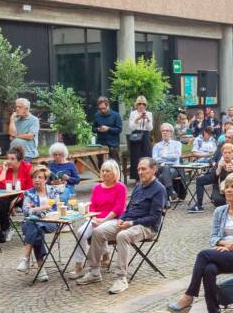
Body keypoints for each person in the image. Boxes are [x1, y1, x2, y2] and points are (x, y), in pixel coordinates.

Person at [168, 172, 233, 313]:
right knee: (209, 269)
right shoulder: (220, 211)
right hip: (221, 253)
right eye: (227, 187)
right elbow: (213, 237)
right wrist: (224, 244)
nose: (229, 190)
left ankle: (189, 295)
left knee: (203, 255)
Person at [85, 157, 167, 294]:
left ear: (154, 170)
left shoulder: (159, 189)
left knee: (123, 236)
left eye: (144, 169)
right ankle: (94, 272)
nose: (140, 172)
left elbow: (154, 218)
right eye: (139, 169)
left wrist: (131, 223)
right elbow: (128, 209)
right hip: (128, 222)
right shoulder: (139, 186)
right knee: (98, 231)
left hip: (146, 227)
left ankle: (121, 278)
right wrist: (122, 219)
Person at [72, 160, 127, 282]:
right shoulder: (97, 188)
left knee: (98, 230)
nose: (105, 173)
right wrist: (94, 218)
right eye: (103, 170)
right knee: (81, 232)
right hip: (96, 218)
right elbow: (92, 206)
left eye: (108, 170)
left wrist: (103, 220)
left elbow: (118, 208)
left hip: (113, 219)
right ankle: (78, 265)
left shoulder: (120, 187)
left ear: (115, 172)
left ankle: (98, 263)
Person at [15, 166, 64, 282]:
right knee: (36, 228)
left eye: (40, 177)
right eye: (34, 177)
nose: (36, 180)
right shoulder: (29, 193)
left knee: (35, 225)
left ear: (45, 179)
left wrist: (35, 209)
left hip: (51, 222)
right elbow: (26, 211)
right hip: (33, 223)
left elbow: (56, 208)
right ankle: (40, 268)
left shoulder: (53, 191)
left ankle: (26, 259)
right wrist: (43, 208)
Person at [0, 146, 33, 238]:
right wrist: (4, 171)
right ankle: (7, 228)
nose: (9, 161)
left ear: (20, 160)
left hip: (24, 195)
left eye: (12, 159)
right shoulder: (5, 168)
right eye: (8, 158)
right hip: (8, 195)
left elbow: (30, 189)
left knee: (28, 206)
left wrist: (16, 200)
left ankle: (30, 229)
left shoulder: (27, 167)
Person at [151, 123, 183, 200]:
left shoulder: (177, 144)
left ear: (171, 133)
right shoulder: (157, 146)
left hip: (174, 168)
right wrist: (169, 158)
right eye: (163, 131)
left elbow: (176, 157)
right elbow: (154, 159)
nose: (165, 132)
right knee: (164, 167)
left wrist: (163, 156)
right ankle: (171, 191)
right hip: (160, 167)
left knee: (162, 177)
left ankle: (166, 200)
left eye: (167, 131)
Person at [126, 96, 153, 183]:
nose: (141, 106)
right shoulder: (133, 113)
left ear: (145, 105)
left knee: (147, 154)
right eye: (139, 104)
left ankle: (148, 176)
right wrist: (138, 119)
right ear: (136, 105)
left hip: (145, 135)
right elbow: (131, 128)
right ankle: (137, 177)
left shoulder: (149, 113)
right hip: (136, 135)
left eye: (143, 104)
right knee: (135, 156)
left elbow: (150, 128)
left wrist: (147, 120)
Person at [8, 98, 39, 162]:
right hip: (13, 154)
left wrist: (16, 136)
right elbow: (12, 135)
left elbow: (30, 136)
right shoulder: (15, 120)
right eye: (16, 107)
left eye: (19, 107)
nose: (16, 109)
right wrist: (12, 119)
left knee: (22, 171)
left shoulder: (34, 120)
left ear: (26, 108)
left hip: (27, 154)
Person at [92, 96, 122, 162]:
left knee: (114, 165)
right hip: (100, 144)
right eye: (100, 109)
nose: (102, 110)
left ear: (108, 105)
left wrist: (108, 129)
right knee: (101, 165)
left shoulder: (116, 115)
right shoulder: (97, 115)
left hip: (113, 145)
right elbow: (93, 129)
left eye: (104, 108)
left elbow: (119, 129)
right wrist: (98, 129)